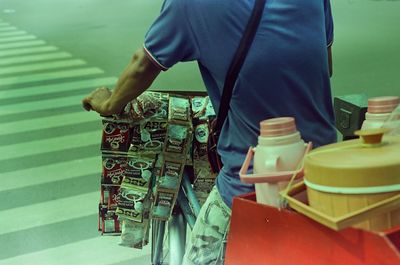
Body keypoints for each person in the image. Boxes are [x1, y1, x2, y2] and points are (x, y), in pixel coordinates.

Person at [82, 0, 336, 264]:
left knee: (199, 257)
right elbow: (324, 65)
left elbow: (143, 65)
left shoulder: (189, 4)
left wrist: (110, 103)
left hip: (253, 183)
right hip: (326, 173)